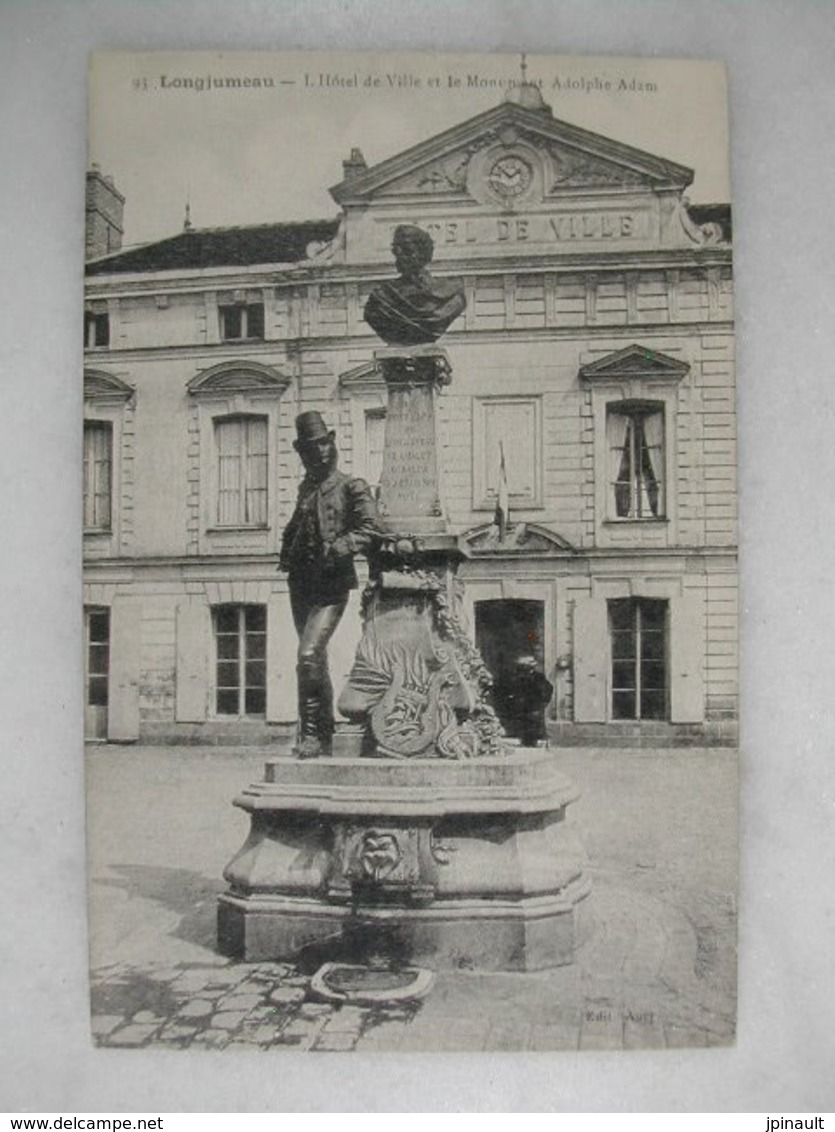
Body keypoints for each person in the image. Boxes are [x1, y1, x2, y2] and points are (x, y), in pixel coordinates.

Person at [280, 412, 380, 759]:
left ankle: (312, 735)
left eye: (325, 443)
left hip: (330, 586)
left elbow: (371, 528)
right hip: (300, 584)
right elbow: (297, 529)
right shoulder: (305, 490)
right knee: (314, 660)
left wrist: (344, 545)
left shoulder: (352, 486)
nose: (321, 452)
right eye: (312, 447)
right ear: (302, 453)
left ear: (333, 444)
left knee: (307, 654)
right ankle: (319, 736)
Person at [363, 224, 467, 345]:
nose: (400, 256)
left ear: (423, 253)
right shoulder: (381, 298)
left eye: (407, 250)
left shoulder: (452, 295)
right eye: (396, 251)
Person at [493, 655, 554, 748]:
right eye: (522, 666)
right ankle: (525, 741)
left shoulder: (538, 677)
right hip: (520, 707)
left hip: (533, 707)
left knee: (535, 724)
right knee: (522, 725)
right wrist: (511, 699)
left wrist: (542, 702)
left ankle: (538, 742)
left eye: (526, 666)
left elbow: (547, 689)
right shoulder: (515, 677)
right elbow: (506, 689)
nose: (523, 668)